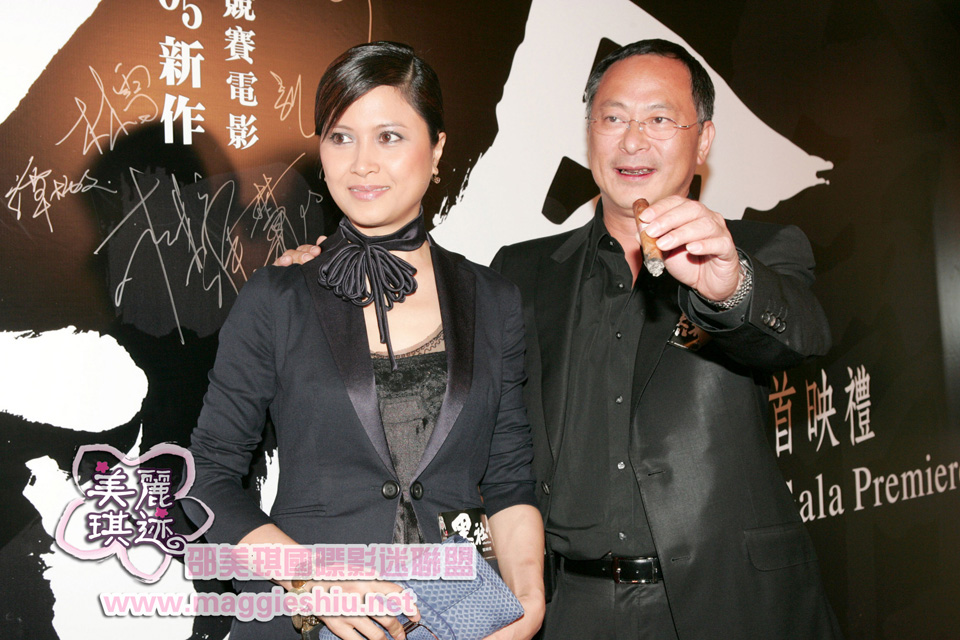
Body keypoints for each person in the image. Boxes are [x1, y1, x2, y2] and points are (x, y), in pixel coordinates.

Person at [278, 38, 842, 639]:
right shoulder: (520, 274)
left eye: (659, 120)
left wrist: (730, 286)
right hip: (569, 608)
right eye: (613, 118)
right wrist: (328, 282)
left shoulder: (755, 252)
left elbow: (800, 337)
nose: (632, 141)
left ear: (702, 140)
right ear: (589, 132)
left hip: (729, 605)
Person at [189, 41, 545, 640]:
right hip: (305, 623)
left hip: (457, 619)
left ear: (437, 149)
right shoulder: (278, 297)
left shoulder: (494, 301)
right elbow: (207, 475)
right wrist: (311, 579)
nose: (361, 164)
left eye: (389, 137)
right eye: (340, 137)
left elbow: (509, 478)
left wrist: (529, 602)